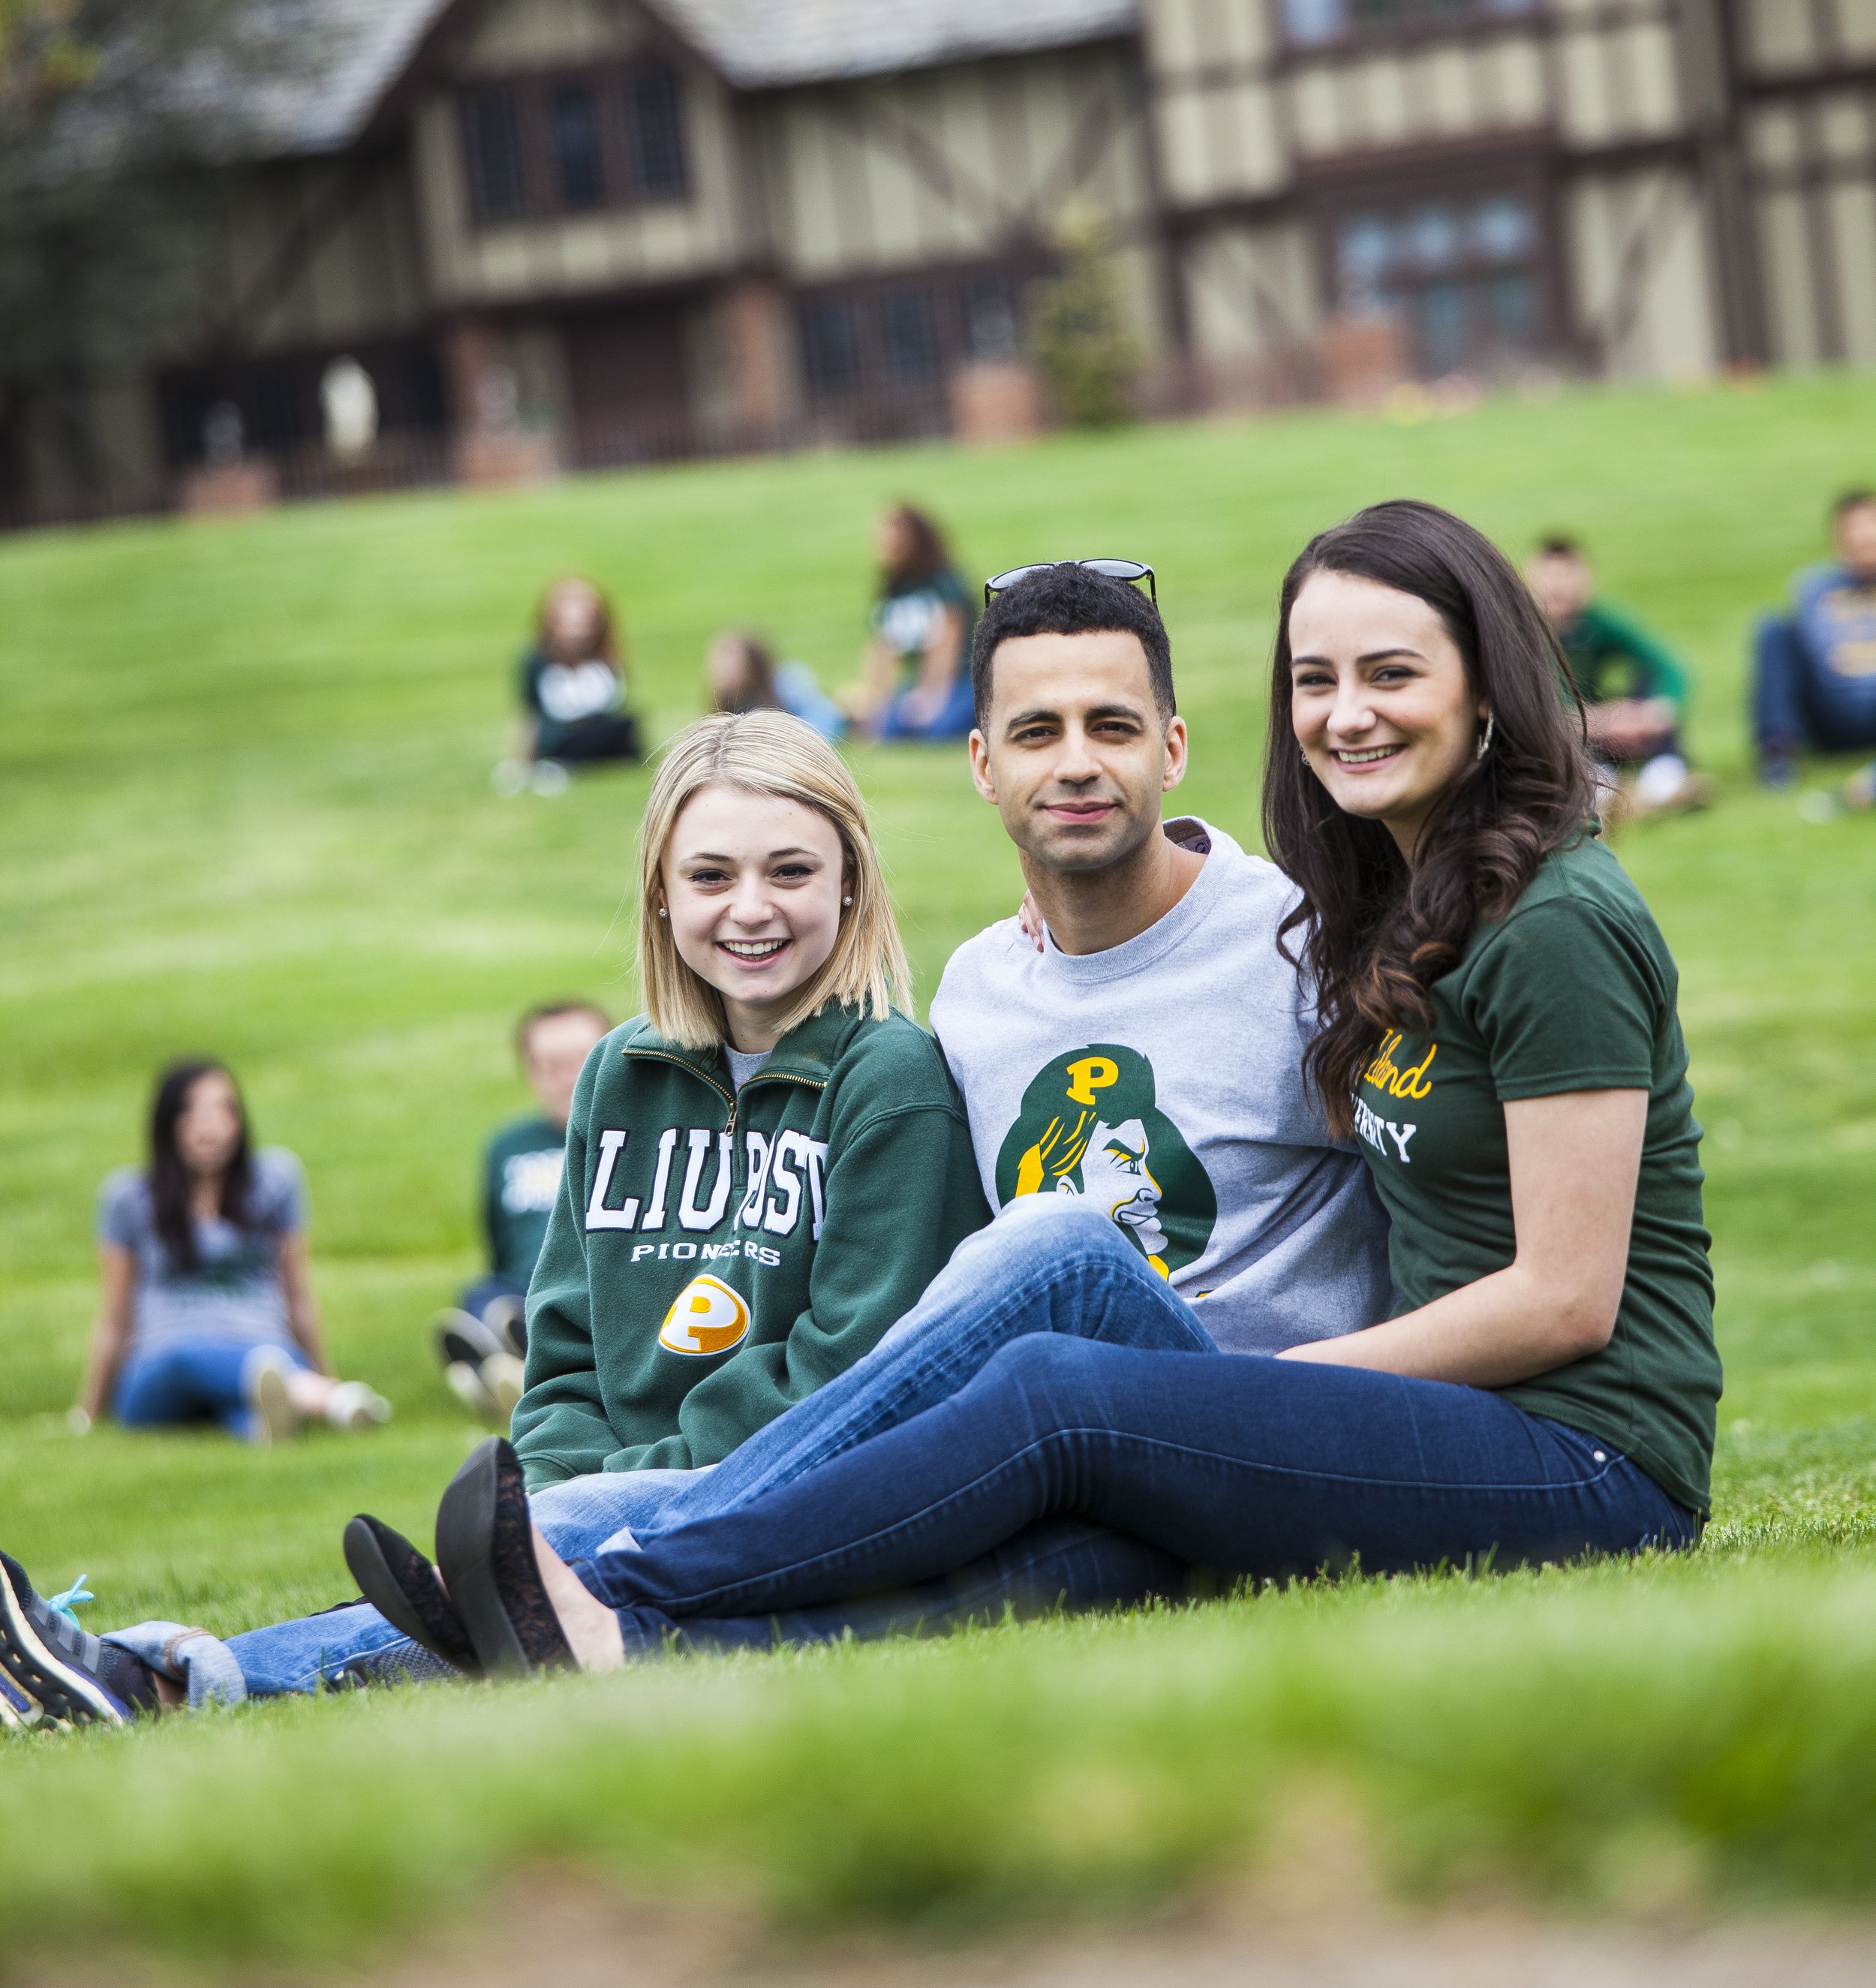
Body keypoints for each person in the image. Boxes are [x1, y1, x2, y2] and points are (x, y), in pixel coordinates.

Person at [347, 505, 1720, 1680]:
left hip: (1584, 1456)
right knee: (1007, 1535)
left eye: (1391, 673)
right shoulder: (1401, 914)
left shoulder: (1548, 923)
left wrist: (1269, 1395)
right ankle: (215, 1670)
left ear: (1487, 684)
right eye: (1314, 679)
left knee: (1059, 1338)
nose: (1345, 712)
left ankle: (617, 1579)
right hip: (1409, 1433)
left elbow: (1566, 1298)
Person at [0, 714, 991, 1723]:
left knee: (475, 1607)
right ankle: (154, 1675)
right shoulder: (622, 1072)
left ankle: (154, 1673)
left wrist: (588, 1504)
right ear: (659, 889)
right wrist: (552, 1502)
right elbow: (563, 1351)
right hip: (610, 1502)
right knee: (477, 1619)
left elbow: (846, 1375)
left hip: (796, 1495)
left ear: (850, 883)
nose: (750, 908)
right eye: (709, 876)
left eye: (790, 871)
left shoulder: (889, 1077)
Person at [74, 1059, 390, 1448]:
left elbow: (298, 1297)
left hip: (264, 1346)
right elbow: (114, 1320)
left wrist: (322, 1369)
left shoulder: (275, 1181)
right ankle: (332, 1402)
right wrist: (88, 1411)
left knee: (254, 1391)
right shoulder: (127, 1197)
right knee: (188, 1357)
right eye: (192, 1110)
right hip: (160, 1367)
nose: (209, 1126)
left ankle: (265, 1430)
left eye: (223, 1108)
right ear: (166, 1121)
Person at [433, 1000, 610, 1426]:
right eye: (551, 1066)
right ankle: (509, 1360)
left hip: (597, 1288)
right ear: (530, 1073)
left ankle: (500, 1370)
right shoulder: (508, 1146)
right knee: (481, 1298)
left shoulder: (633, 1135)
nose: (570, 1079)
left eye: (583, 1062)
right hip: (520, 1287)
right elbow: (497, 1236)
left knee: (546, 1313)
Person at [1525, 536, 1708, 820]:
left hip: (1603, 724)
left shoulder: (1597, 621)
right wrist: (1605, 721)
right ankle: (1606, 788)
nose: (1559, 587)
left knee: (1648, 683)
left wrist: (1653, 712)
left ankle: (1663, 779)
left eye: (1567, 575)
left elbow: (1667, 665)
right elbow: (1541, 708)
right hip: (1560, 731)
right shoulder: (1525, 634)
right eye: (1550, 576)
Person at [1752, 489, 1876, 801]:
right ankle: (1778, 752)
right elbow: (1825, 657)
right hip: (1835, 711)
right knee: (1773, 629)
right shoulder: (1815, 587)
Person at [496, 576, 642, 796]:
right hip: (565, 738)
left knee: (621, 726)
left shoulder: (606, 657)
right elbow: (530, 714)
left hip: (603, 731)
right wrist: (522, 761)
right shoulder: (538, 662)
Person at [848, 504, 976, 741]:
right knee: (891, 729)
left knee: (939, 731)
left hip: (960, 680)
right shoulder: (892, 590)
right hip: (918, 682)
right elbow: (883, 647)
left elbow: (946, 648)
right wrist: (872, 701)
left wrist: (931, 695)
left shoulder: (943, 584)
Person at [706, 631, 849, 745]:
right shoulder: (734, 697)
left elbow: (821, 717)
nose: (721, 672)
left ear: (751, 665)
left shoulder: (785, 683)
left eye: (730, 667)